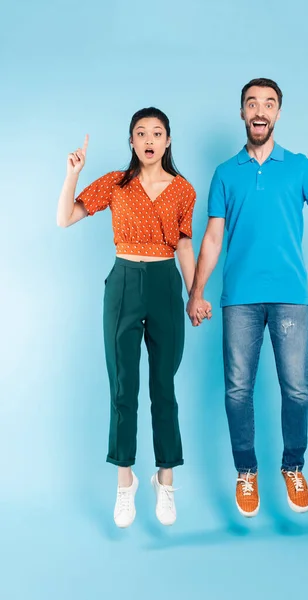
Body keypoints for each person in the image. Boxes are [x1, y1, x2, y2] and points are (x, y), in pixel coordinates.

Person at [187, 78, 308, 517]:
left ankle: (292, 466)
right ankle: (246, 472)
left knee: (296, 391)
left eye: (269, 104)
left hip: (290, 296)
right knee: (237, 392)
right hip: (238, 297)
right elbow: (213, 239)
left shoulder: (297, 167)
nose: (260, 110)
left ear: (277, 114)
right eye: (252, 103)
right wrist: (196, 291)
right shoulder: (224, 173)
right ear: (242, 112)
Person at [57, 107, 198, 528]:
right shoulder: (117, 184)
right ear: (132, 141)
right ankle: (125, 484)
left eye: (157, 133)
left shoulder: (183, 190)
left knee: (163, 386)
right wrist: (72, 174)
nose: (150, 139)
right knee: (123, 385)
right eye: (141, 133)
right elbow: (65, 218)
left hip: (164, 282)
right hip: (122, 280)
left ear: (167, 141)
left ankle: (165, 479)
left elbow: (186, 248)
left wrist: (196, 296)